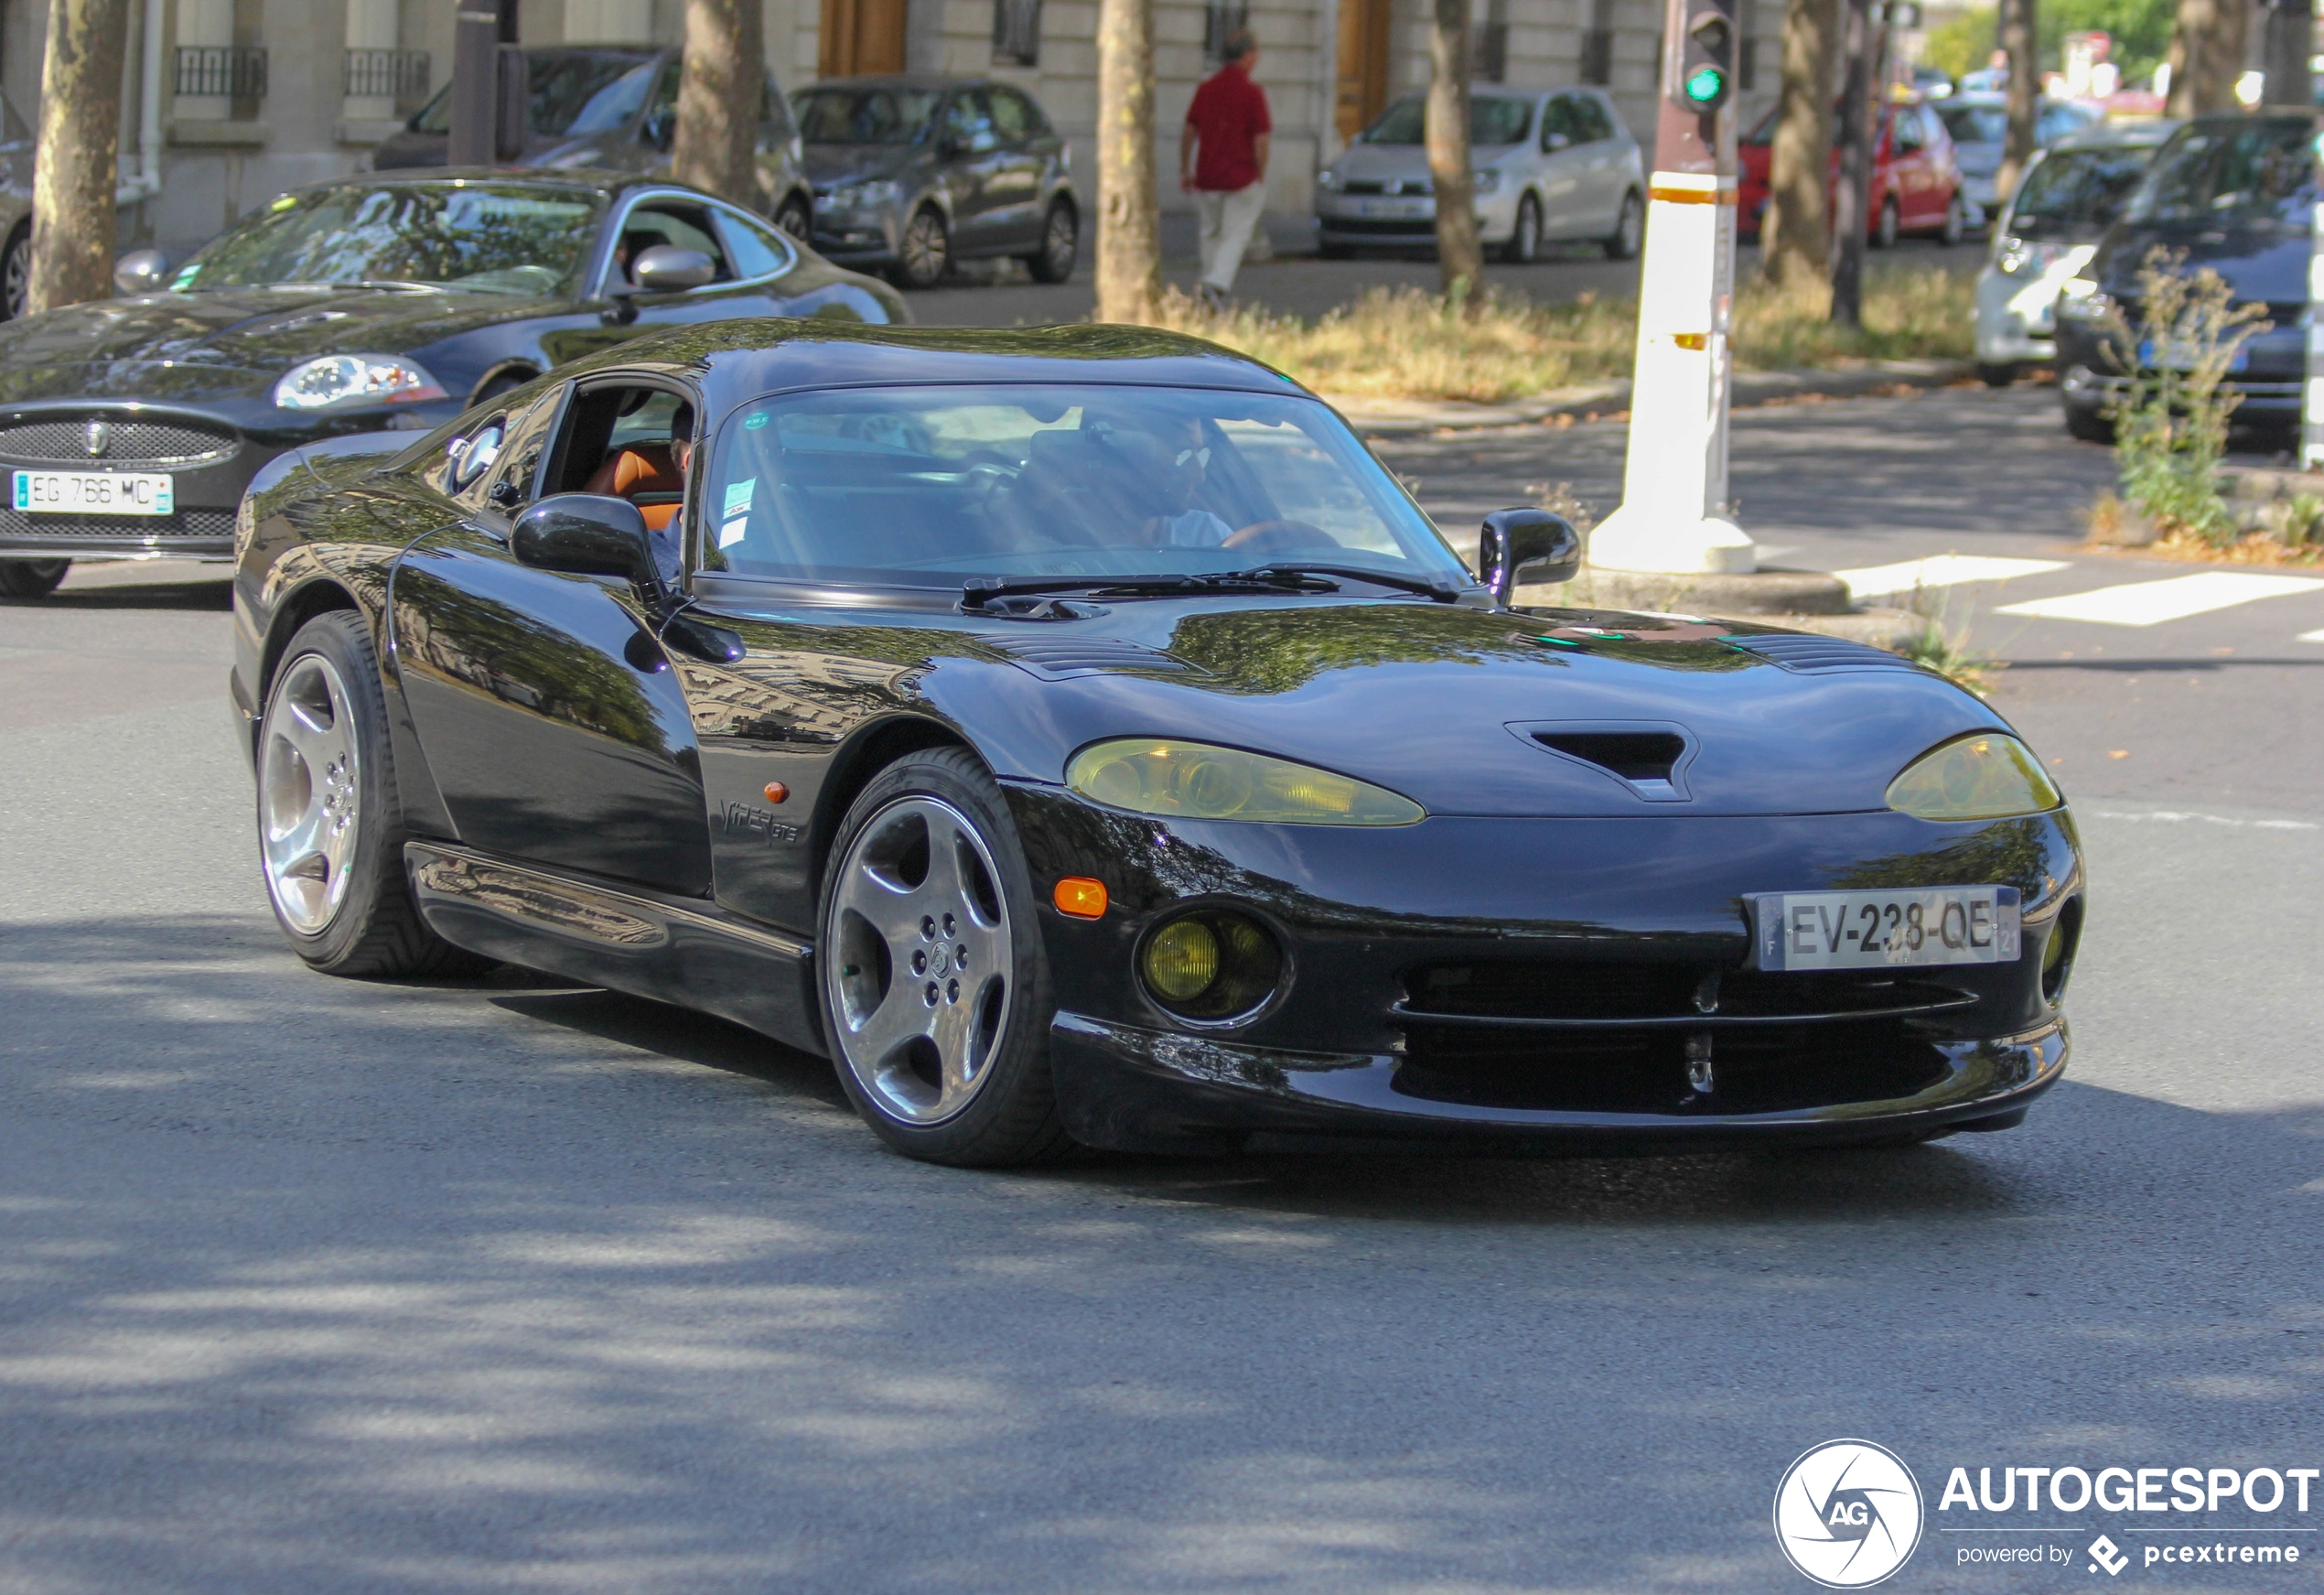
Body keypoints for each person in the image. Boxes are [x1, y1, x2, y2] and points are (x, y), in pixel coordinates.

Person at [1181, 29, 1271, 308]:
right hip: (1240, 177)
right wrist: (1261, 173)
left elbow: (1189, 130)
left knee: (1210, 233)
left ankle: (1208, 291)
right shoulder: (1252, 92)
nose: (1257, 58)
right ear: (1246, 56)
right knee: (1235, 235)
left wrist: (1185, 169)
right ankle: (1215, 285)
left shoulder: (1206, 88)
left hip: (1206, 175)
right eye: (1255, 53)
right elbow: (1261, 140)